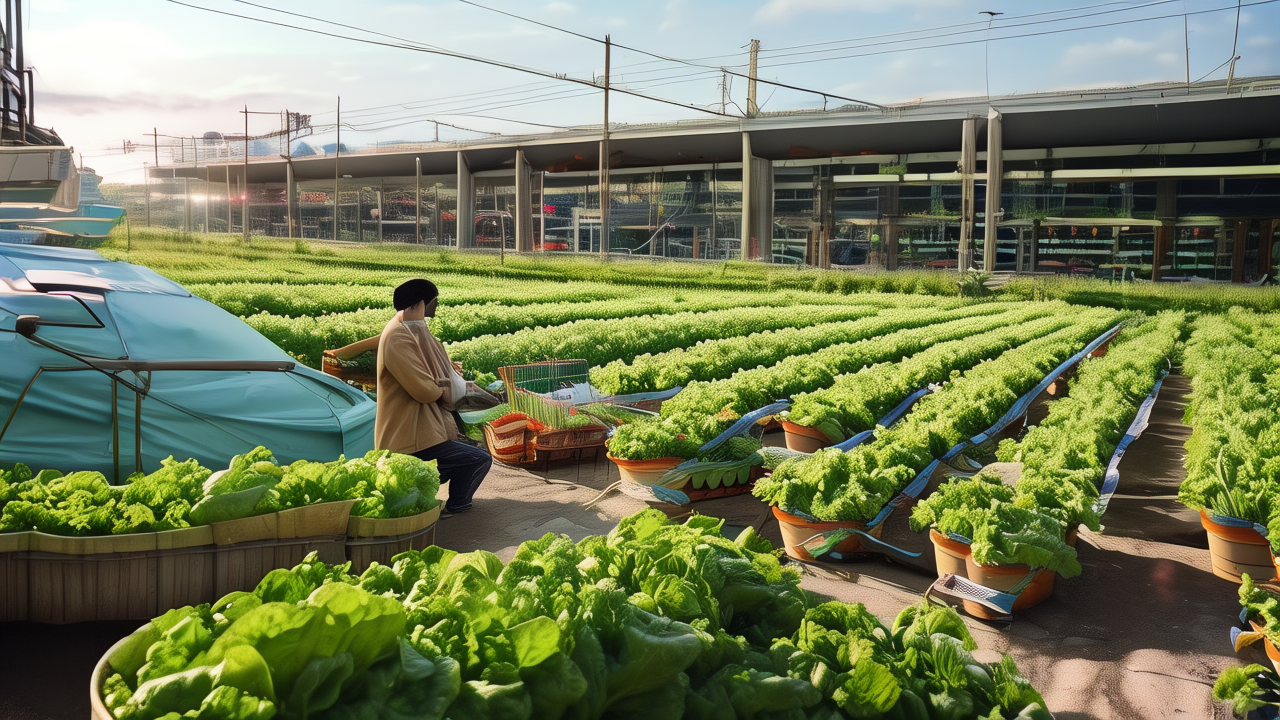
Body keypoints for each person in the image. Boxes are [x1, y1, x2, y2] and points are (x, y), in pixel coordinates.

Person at [372, 278, 491, 516]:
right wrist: (448, 388)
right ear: (422, 302)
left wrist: (445, 378)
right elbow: (425, 391)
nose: (436, 307)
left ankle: (417, 493)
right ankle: (456, 505)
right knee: (478, 458)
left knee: (466, 453)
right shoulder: (399, 335)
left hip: (417, 431)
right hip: (409, 437)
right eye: (435, 301)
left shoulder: (405, 326)